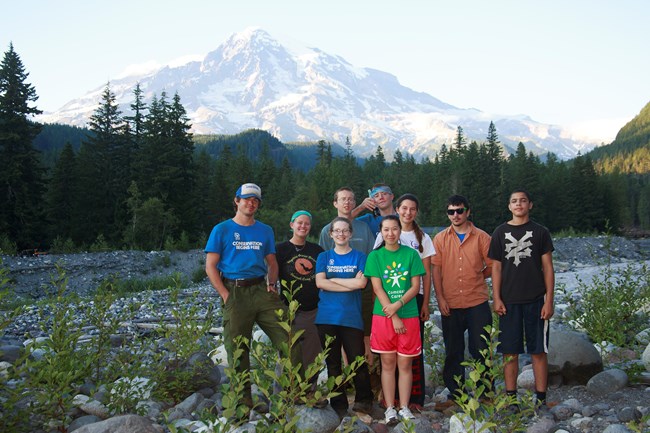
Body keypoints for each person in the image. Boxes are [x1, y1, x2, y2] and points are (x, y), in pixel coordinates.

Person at [204, 183, 296, 412]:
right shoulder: (222, 229)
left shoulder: (264, 230)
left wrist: (272, 284)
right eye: (246, 199)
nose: (250, 203)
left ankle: (295, 393)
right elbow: (210, 267)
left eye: (255, 200)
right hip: (234, 290)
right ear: (236, 201)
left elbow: (272, 262)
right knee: (237, 350)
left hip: (261, 290)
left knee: (290, 339)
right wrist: (225, 295)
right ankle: (242, 405)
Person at [488, 189, 555, 408]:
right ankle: (511, 398)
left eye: (523, 201)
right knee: (510, 351)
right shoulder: (500, 232)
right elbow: (496, 268)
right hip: (508, 301)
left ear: (530, 205)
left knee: (538, 350)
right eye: (514, 201)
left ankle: (541, 399)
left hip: (536, 299)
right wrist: (496, 298)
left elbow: (548, 268)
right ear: (509, 206)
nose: (519, 204)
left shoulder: (540, 232)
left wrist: (549, 300)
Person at [373, 193, 433, 410]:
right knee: (389, 356)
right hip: (387, 301)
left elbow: (426, 275)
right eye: (404, 208)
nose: (408, 212)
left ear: (416, 212)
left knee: (411, 354)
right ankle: (391, 399)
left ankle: (414, 400)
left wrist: (426, 303)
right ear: (397, 210)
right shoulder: (383, 237)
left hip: (412, 299)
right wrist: (386, 306)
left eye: (412, 209)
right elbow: (377, 277)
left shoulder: (422, 238)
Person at [432, 195, 493, 405]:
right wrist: (439, 298)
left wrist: (477, 275)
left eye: (459, 210)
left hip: (477, 301)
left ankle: (485, 392)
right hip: (450, 302)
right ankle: (455, 393)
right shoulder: (440, 239)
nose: (455, 215)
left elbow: (493, 266)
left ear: (468, 211)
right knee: (453, 350)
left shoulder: (483, 237)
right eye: (451, 212)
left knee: (481, 348)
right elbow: (436, 270)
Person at [365, 215, 426, 425]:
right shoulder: (375, 256)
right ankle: (390, 407)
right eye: (386, 230)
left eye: (394, 229)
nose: (390, 233)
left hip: (407, 316)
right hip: (383, 317)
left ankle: (405, 407)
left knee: (406, 364)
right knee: (388, 363)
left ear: (401, 231)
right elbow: (377, 287)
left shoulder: (411, 255)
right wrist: (392, 314)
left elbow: (415, 286)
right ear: (381, 232)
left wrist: (397, 307)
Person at [315, 217, 374, 418]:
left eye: (345, 231)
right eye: (337, 231)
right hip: (326, 318)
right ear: (330, 234)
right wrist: (348, 282)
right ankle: (338, 403)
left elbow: (361, 285)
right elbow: (320, 283)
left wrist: (332, 280)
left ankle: (364, 400)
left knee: (358, 360)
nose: (341, 234)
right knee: (333, 363)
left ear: (351, 233)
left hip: (351, 318)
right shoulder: (323, 257)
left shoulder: (360, 257)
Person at [319, 187, 375, 364]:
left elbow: (372, 259)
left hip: (364, 289)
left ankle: (369, 375)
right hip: (336, 293)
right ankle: (348, 376)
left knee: (365, 333)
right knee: (343, 335)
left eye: (351, 199)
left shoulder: (363, 228)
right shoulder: (328, 230)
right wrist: (338, 281)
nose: (347, 202)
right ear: (335, 203)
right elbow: (324, 263)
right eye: (343, 199)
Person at [275, 210, 324, 400]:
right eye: (299, 223)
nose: (303, 226)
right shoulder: (280, 249)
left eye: (307, 224)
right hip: (289, 308)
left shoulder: (316, 250)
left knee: (312, 352)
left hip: (313, 309)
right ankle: (285, 393)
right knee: (288, 353)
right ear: (291, 225)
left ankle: (308, 391)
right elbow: (271, 273)